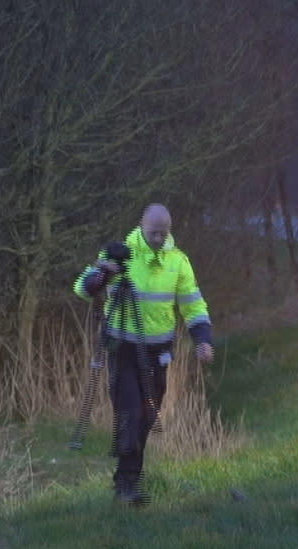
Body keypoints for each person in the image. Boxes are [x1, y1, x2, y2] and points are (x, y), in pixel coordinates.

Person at [73, 204, 214, 505]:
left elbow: (194, 306)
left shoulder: (178, 262)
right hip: (122, 349)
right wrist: (102, 276)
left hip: (158, 354)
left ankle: (129, 476)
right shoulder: (120, 254)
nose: (159, 239)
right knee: (130, 412)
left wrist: (203, 340)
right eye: (153, 233)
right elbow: (82, 289)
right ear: (141, 226)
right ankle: (126, 483)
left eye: (164, 233)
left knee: (148, 415)